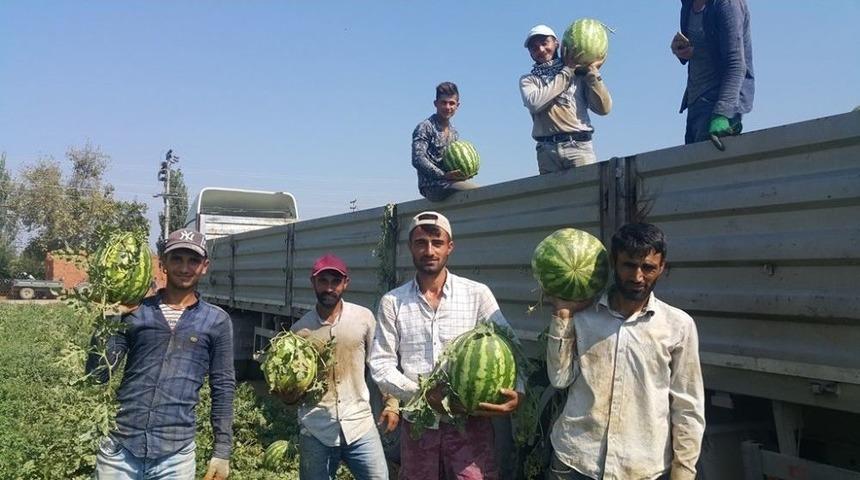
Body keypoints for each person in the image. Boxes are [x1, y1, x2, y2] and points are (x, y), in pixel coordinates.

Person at [369, 211, 523, 480]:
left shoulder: (477, 294)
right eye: (421, 242)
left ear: (449, 247)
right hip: (419, 426)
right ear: (410, 248)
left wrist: (518, 392)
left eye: (436, 242)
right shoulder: (392, 302)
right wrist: (421, 394)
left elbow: (511, 348)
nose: (429, 250)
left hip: (470, 426)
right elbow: (380, 364)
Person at [544, 223, 705, 480]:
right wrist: (562, 314)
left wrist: (683, 471)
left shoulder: (678, 326)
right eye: (629, 265)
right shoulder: (583, 316)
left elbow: (688, 406)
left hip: (641, 468)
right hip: (576, 461)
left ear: (662, 268)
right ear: (614, 263)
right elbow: (560, 379)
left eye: (649, 268)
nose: (637, 277)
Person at [86, 228, 234, 480]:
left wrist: (222, 451)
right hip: (120, 448)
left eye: (193, 260)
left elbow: (223, 386)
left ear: (204, 266)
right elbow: (97, 374)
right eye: (176, 258)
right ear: (162, 262)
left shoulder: (216, 321)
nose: (184, 268)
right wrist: (108, 318)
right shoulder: (136, 311)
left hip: (175, 455)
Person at [279, 253, 396, 480]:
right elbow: (292, 385)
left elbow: (380, 363)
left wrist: (391, 402)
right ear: (313, 282)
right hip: (316, 428)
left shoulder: (363, 318)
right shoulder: (299, 331)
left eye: (336, 281)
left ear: (345, 283)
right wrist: (288, 395)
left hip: (359, 423)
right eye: (323, 281)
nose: (329, 288)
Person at [519, 24, 612, 174]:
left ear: (557, 43)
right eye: (534, 48)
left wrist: (593, 75)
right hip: (547, 151)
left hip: (579, 147)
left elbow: (603, 109)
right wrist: (567, 71)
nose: (541, 50)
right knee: (555, 197)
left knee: (587, 196)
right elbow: (535, 104)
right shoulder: (529, 80)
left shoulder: (580, 74)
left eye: (544, 43)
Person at [671, 0, 754, 144]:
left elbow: (736, 64)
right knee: (696, 165)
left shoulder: (727, 5)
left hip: (717, 102)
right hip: (695, 102)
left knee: (710, 164)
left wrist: (722, 115)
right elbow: (701, 48)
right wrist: (681, 50)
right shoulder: (687, 6)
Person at [412, 82, 479, 202]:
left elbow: (452, 163)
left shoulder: (454, 132)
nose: (448, 107)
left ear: (457, 106)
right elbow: (418, 159)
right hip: (432, 187)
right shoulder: (425, 127)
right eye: (444, 102)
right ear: (436, 104)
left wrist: (466, 173)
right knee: (477, 191)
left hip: (450, 183)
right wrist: (443, 175)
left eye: (452, 103)